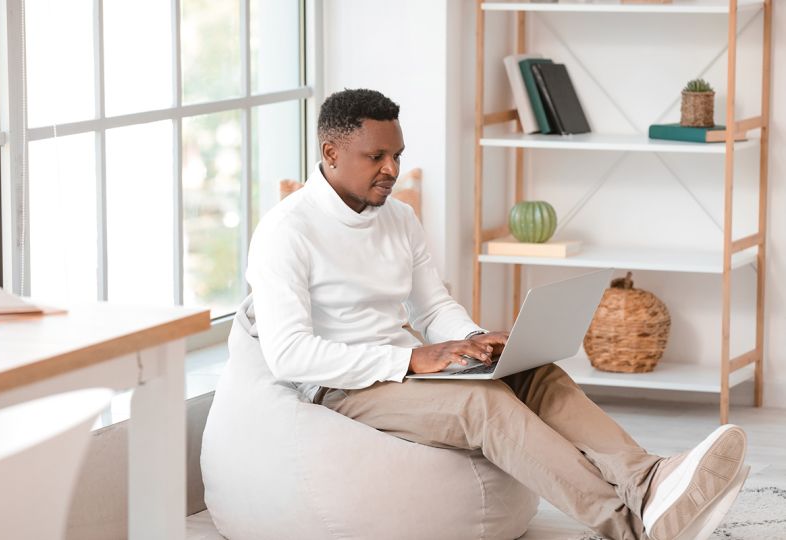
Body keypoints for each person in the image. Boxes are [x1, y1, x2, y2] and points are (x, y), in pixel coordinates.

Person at [244, 88, 748, 540]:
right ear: (330, 153)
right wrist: (411, 361)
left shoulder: (400, 217)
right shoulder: (286, 232)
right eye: (375, 156)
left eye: (397, 155)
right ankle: (633, 526)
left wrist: (474, 340)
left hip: (406, 364)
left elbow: (434, 305)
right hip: (346, 384)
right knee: (484, 406)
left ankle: (650, 481)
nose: (391, 170)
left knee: (534, 372)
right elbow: (289, 355)